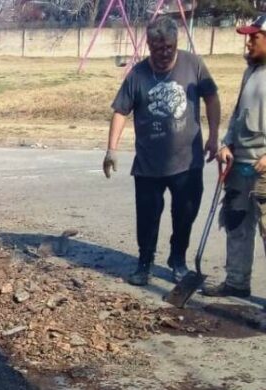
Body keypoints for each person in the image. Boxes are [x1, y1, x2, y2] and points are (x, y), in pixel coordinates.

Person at [103, 16, 220, 286]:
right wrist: (111, 149)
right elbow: (120, 111)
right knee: (147, 218)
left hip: (187, 162)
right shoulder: (138, 74)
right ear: (149, 45)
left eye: (169, 47)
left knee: (185, 214)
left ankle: (178, 259)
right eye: (158, 48)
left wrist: (214, 136)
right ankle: (144, 263)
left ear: (176, 43)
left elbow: (212, 98)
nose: (164, 53)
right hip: (149, 166)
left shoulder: (194, 64)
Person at [202, 16, 266, 299]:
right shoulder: (250, 71)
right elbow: (239, 113)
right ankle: (237, 283)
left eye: (254, 38)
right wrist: (227, 143)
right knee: (237, 224)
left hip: (263, 168)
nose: (248, 43)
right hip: (239, 163)